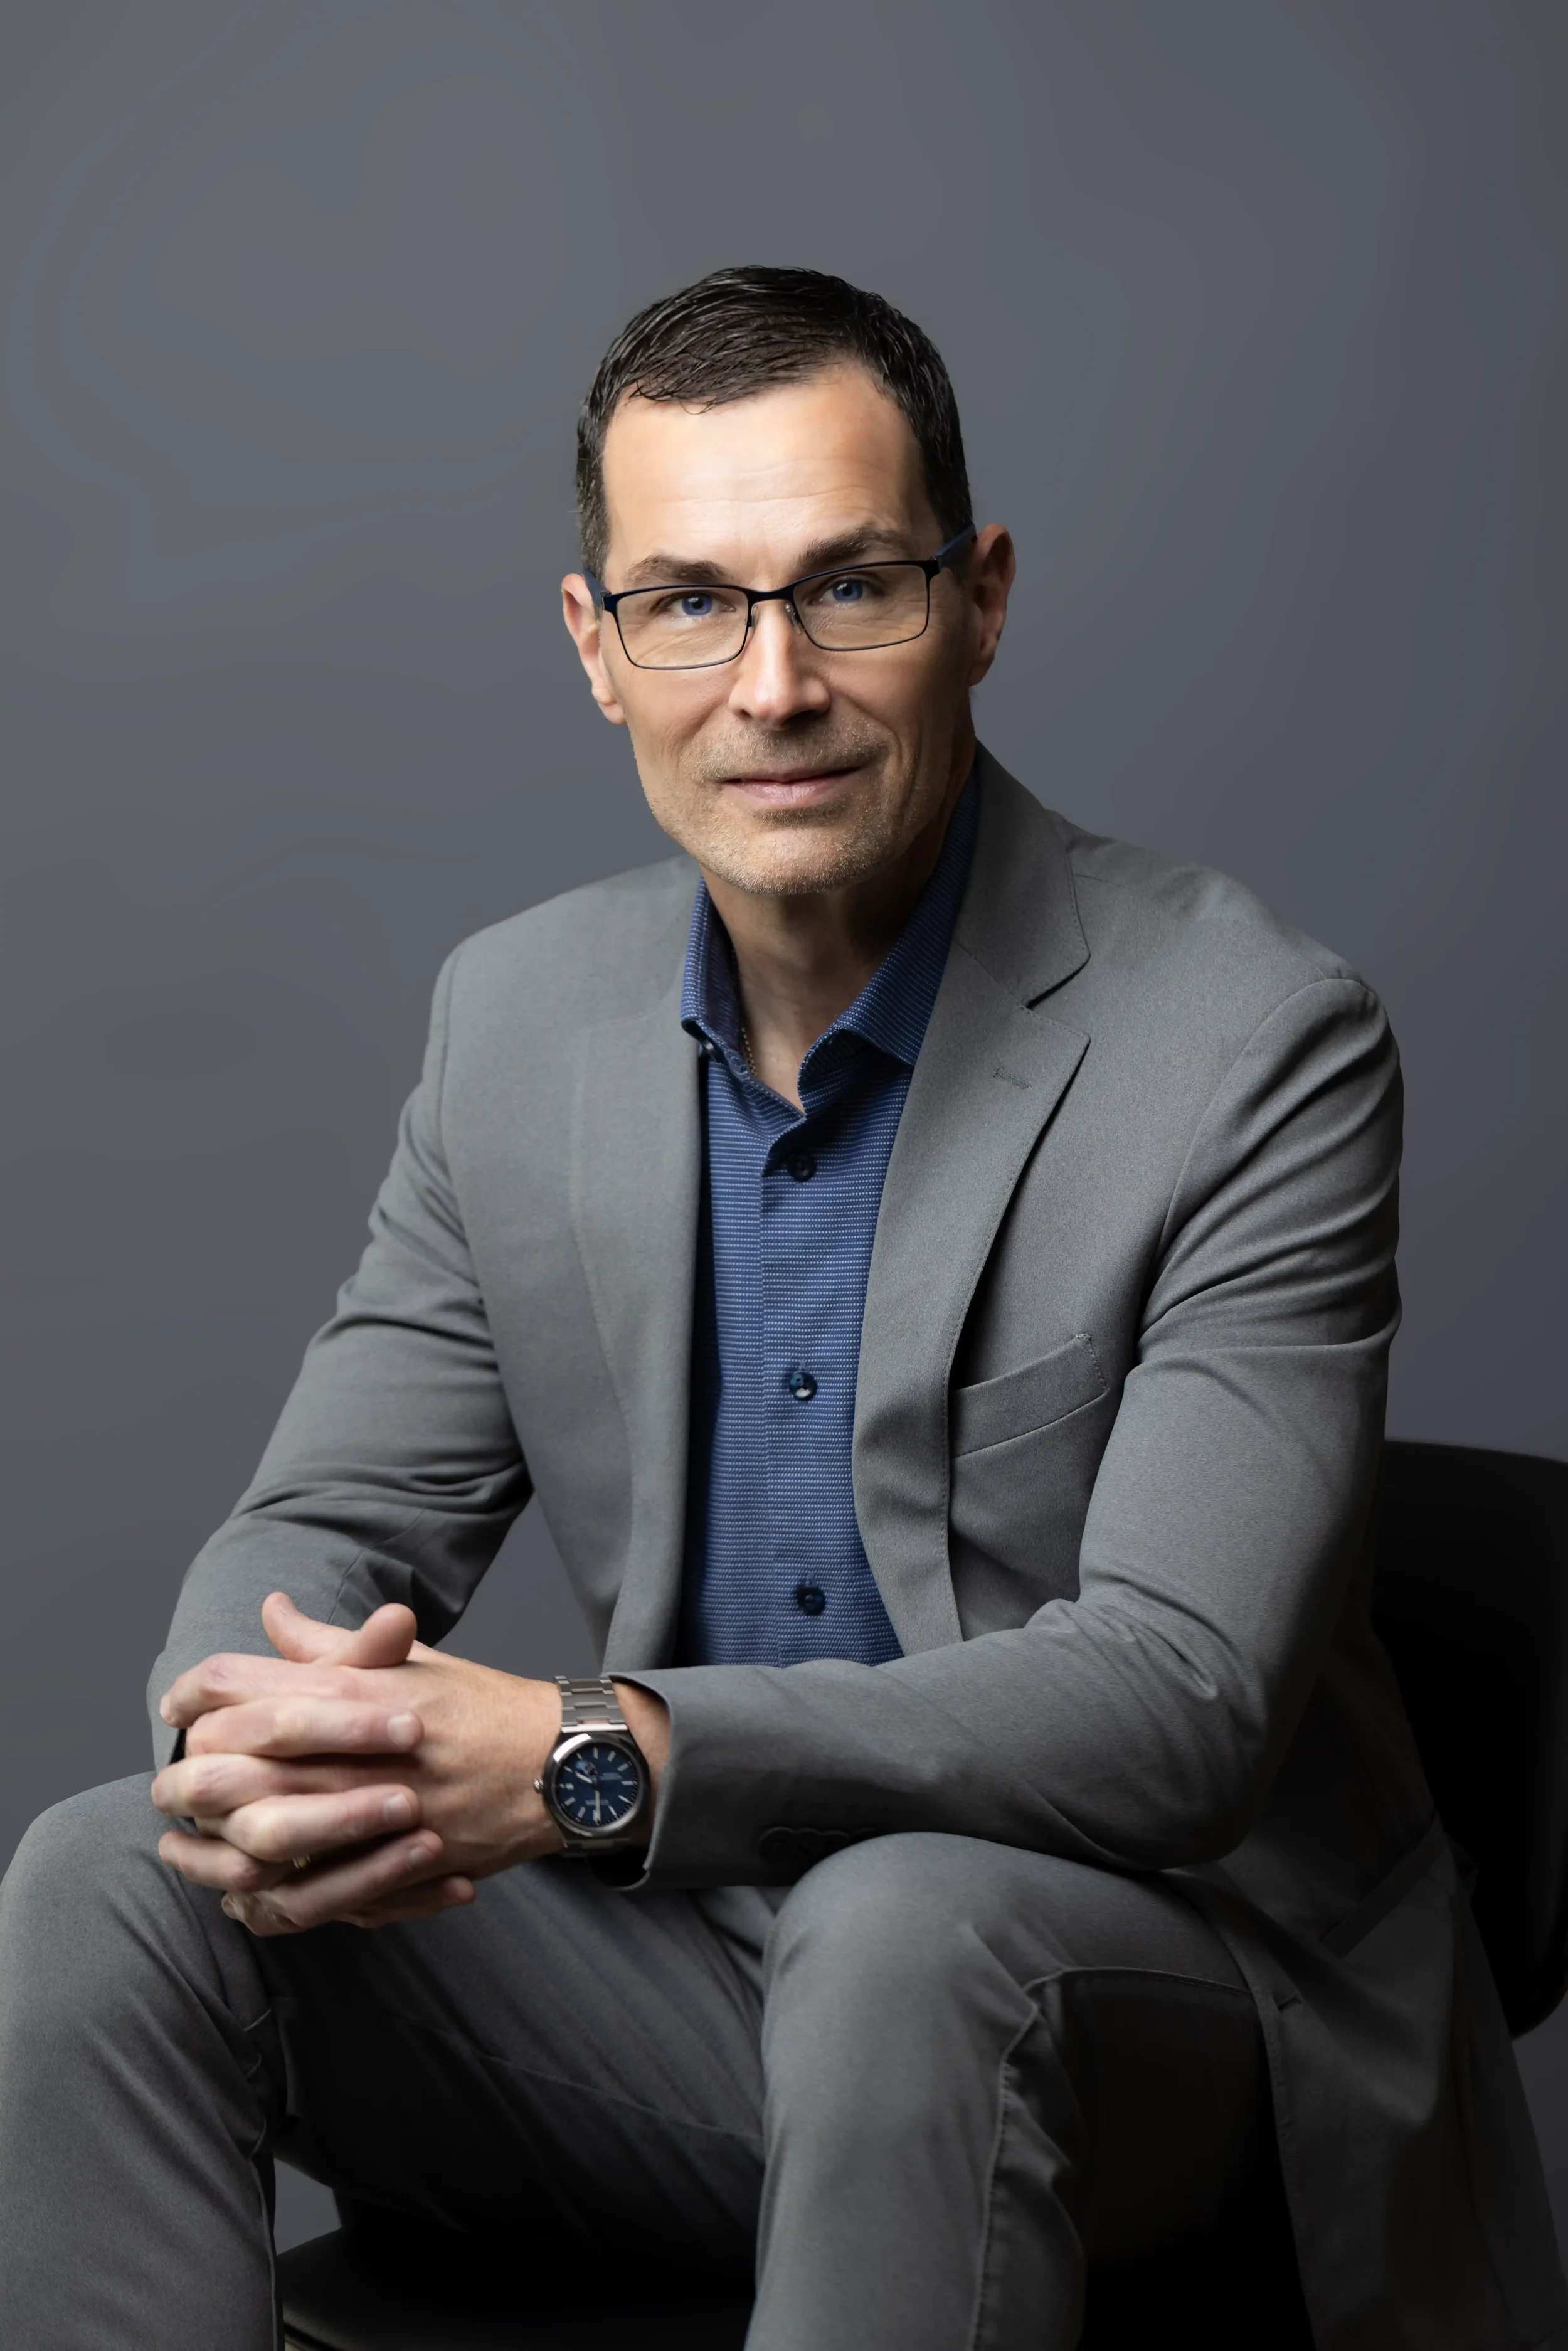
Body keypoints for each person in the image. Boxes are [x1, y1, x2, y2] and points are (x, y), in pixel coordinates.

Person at [0, 266, 1561, 2351]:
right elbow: (320, 1524)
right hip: (699, 1982)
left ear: (980, 597)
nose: (771, 683)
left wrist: (588, 1756)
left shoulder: (1248, 1038)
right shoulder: (512, 1022)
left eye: (850, 589)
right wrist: (246, 1729)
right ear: (595, 644)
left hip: (1186, 2019)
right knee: (103, 1880)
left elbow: (1175, 1706)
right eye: (688, 602)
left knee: (909, 1935)